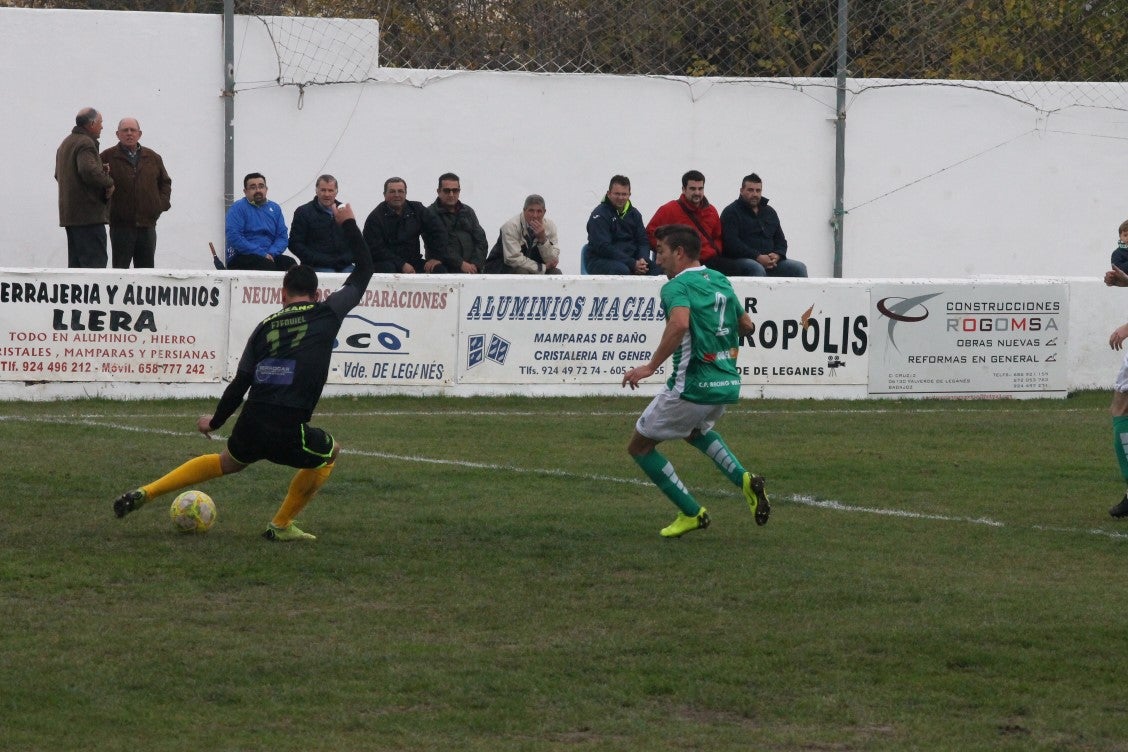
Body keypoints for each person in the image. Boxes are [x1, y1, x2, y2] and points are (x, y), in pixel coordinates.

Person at [113, 203, 374, 541]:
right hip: (287, 424)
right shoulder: (326, 312)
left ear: (283, 294)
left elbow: (241, 382)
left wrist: (215, 422)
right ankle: (280, 526)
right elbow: (365, 269)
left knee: (228, 462)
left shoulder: (264, 326)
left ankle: (146, 492)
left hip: (252, 419)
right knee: (330, 453)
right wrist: (349, 224)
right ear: (317, 294)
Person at [621, 224, 770, 538]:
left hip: (692, 385)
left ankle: (691, 512)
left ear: (679, 252)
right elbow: (746, 325)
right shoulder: (719, 280)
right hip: (726, 383)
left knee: (640, 447)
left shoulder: (676, 286)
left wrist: (650, 367)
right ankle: (746, 480)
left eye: (660, 251)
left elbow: (679, 324)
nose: (657, 259)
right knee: (695, 432)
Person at [100, 117, 172, 269]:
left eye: (133, 130)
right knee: (120, 272)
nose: (129, 133)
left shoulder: (152, 157)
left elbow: (165, 183)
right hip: (120, 227)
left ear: (139, 134)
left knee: (146, 273)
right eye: (125, 130)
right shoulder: (107, 157)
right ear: (117, 134)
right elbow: (97, 184)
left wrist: (159, 205)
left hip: (147, 226)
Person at [55, 107, 115, 268]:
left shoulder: (65, 143)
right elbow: (88, 171)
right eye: (101, 123)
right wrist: (108, 181)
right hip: (89, 217)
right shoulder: (86, 143)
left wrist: (99, 170)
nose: (102, 127)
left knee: (76, 271)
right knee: (94, 269)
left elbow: (58, 175)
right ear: (92, 124)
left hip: (71, 216)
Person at [719, 173, 808, 277]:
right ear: (741, 191)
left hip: (771, 263)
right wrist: (757, 257)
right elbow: (731, 243)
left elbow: (781, 240)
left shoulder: (770, 212)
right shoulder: (731, 212)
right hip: (742, 262)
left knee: (799, 268)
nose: (755, 194)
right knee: (756, 268)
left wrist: (778, 255)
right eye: (750, 190)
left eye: (758, 190)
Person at [362, 177, 446, 273]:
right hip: (386, 263)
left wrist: (436, 257)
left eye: (400, 191)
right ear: (384, 195)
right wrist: (401, 264)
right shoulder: (375, 218)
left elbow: (438, 231)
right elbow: (375, 249)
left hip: (413, 262)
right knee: (388, 269)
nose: (397, 195)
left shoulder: (417, 209)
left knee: (439, 269)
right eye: (392, 191)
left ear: (406, 193)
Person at [645, 170, 722, 268]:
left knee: (741, 269)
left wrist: (715, 251)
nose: (697, 193)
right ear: (683, 189)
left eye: (700, 188)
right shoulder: (668, 210)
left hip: (709, 261)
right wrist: (671, 253)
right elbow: (650, 233)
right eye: (693, 189)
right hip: (681, 264)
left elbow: (717, 237)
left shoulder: (711, 211)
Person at [585, 175, 657, 275]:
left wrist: (642, 260)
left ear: (629, 195)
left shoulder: (635, 214)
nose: (620, 197)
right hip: (600, 260)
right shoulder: (599, 215)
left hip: (632, 261)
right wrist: (632, 263)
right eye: (617, 194)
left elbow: (643, 241)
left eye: (624, 194)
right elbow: (603, 247)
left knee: (659, 269)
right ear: (609, 193)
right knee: (622, 270)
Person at [225, 172, 295, 271]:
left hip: (270, 255)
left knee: (291, 265)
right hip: (242, 255)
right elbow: (234, 237)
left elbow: (282, 236)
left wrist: (271, 253)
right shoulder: (237, 208)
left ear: (266, 189)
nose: (258, 190)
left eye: (261, 186)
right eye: (253, 187)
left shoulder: (275, 208)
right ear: (245, 191)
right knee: (267, 266)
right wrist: (261, 253)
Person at [289, 174, 355, 273]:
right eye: (323, 190)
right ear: (316, 191)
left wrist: (348, 258)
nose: (327, 194)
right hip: (317, 266)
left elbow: (354, 240)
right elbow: (295, 243)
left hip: (344, 266)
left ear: (336, 192)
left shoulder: (344, 211)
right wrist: (316, 259)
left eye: (330, 190)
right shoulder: (303, 212)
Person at [484, 194, 562, 274]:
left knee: (556, 273)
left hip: (534, 267)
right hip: (501, 267)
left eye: (539, 211)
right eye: (531, 211)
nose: (535, 216)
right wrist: (542, 267)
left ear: (544, 212)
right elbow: (513, 259)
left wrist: (543, 240)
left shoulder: (550, 226)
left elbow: (553, 260)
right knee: (522, 272)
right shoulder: (511, 226)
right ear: (524, 210)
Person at [427, 173, 488, 273]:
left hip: (471, 269)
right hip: (444, 268)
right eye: (447, 190)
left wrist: (475, 264)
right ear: (438, 191)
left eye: (455, 190)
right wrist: (460, 263)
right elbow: (437, 244)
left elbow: (481, 240)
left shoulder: (468, 211)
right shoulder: (430, 214)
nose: (451, 194)